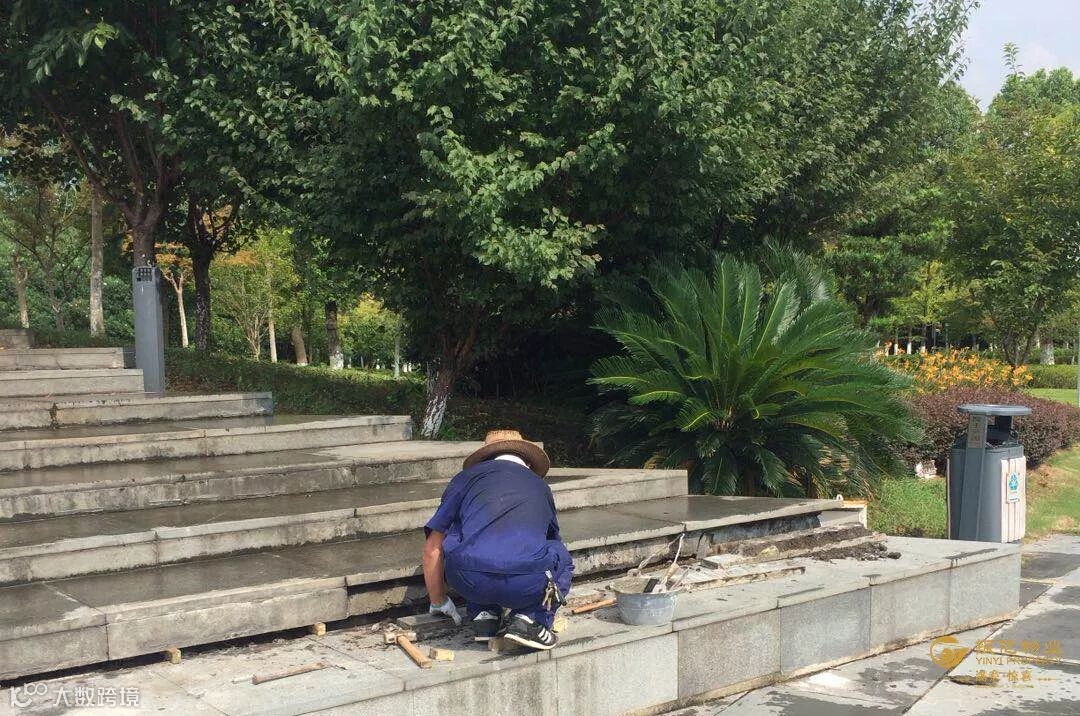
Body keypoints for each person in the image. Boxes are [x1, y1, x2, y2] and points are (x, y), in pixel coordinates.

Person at [421, 429, 573, 650]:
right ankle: (531, 619)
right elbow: (548, 542)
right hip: (525, 582)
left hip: (468, 580)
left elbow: (432, 546)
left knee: (461, 534)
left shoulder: (464, 479)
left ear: (485, 459)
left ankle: (484, 616)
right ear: (528, 462)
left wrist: (438, 600)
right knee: (560, 553)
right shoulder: (540, 486)